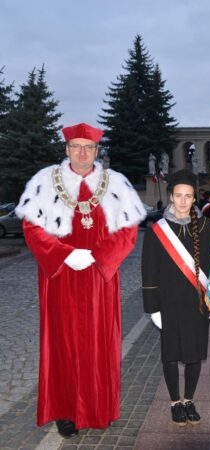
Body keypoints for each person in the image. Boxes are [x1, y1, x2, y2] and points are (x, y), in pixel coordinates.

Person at [15, 123, 146, 437]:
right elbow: (32, 229)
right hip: (60, 280)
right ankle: (66, 410)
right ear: (66, 149)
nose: (82, 152)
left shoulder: (115, 183)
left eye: (88, 147)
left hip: (100, 280)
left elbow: (127, 231)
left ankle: (100, 407)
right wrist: (63, 254)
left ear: (97, 151)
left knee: (101, 344)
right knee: (64, 345)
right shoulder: (45, 183)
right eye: (76, 146)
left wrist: (98, 257)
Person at [141, 170, 210, 426]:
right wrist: (153, 308)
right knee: (171, 354)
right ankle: (175, 401)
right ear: (171, 197)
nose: (183, 201)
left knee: (194, 353)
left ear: (194, 198)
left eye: (188, 196)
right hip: (168, 304)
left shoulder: (209, 229)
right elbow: (149, 270)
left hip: (198, 303)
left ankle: (189, 400)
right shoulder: (156, 231)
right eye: (178, 196)